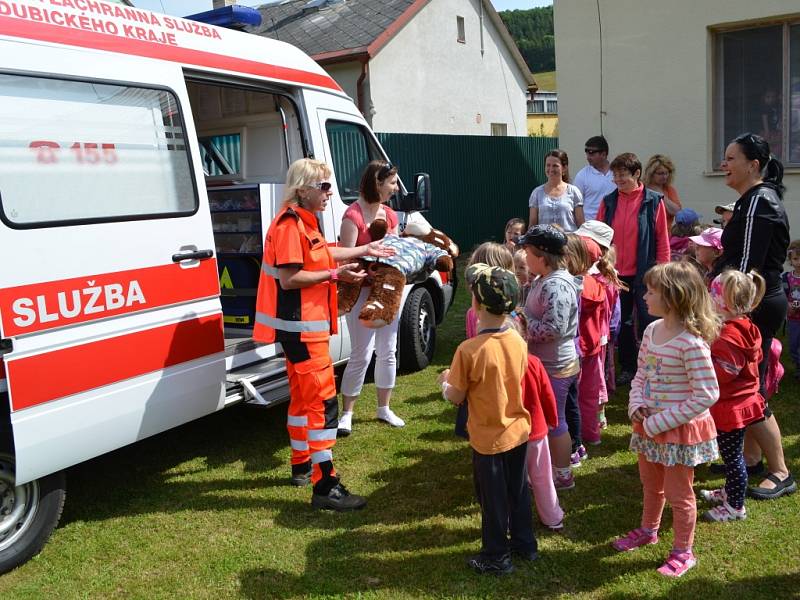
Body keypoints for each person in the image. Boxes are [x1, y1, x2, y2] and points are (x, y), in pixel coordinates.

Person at [253, 158, 394, 511]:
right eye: (324, 186)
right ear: (303, 189)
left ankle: (301, 464)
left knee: (303, 400)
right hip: (302, 330)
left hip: (302, 329)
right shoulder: (290, 225)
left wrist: (363, 250)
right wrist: (335, 276)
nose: (330, 193)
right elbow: (290, 278)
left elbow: (324, 253)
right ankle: (325, 484)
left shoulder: (302, 220)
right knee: (322, 403)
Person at [612, 262, 720, 578]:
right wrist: (635, 405)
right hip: (649, 426)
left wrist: (660, 422)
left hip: (676, 432)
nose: (644, 296)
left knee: (679, 494)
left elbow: (706, 394)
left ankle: (683, 552)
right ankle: (649, 530)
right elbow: (642, 373)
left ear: (672, 297)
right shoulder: (651, 331)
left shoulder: (691, 343)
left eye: (651, 291)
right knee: (651, 485)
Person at [709, 132, 794, 500]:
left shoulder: (760, 201)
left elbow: (745, 268)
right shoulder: (752, 200)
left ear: (753, 165)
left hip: (753, 304)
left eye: (731, 158)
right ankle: (753, 457)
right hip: (751, 301)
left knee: (751, 389)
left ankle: (781, 471)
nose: (724, 164)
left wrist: (724, 309)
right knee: (746, 385)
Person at [439, 264, 537, 575]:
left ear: (477, 304)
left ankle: (496, 555)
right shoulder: (518, 341)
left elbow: (455, 396)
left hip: (488, 438)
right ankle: (524, 544)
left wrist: (444, 383)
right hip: (518, 430)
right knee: (518, 490)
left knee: (493, 500)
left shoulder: (469, 350)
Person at [337, 161, 404, 436]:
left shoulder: (389, 215)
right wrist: (368, 264)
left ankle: (383, 408)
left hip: (386, 292)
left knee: (388, 350)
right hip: (361, 293)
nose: (396, 187)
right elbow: (346, 256)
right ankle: (347, 413)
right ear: (377, 183)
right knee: (361, 354)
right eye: (392, 182)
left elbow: (395, 251)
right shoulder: (352, 215)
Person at [597, 152, 670, 385]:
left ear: (637, 174)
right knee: (624, 324)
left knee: (653, 320)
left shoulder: (653, 201)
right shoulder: (608, 202)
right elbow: (599, 236)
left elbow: (662, 238)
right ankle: (629, 368)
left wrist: (662, 271)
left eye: (622, 175)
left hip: (646, 273)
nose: (618, 180)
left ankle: (657, 367)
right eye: (615, 176)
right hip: (617, 275)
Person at [700, 270, 767, 522]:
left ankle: (735, 506)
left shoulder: (728, 335)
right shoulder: (744, 326)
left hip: (731, 405)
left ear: (721, 301)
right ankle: (729, 492)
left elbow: (725, 373)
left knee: (732, 459)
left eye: (711, 293)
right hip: (739, 401)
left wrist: (703, 361)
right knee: (732, 455)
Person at [521, 225, 581, 491]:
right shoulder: (543, 279)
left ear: (542, 256)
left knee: (555, 421)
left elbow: (553, 328)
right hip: (549, 363)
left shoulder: (556, 285)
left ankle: (563, 475)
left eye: (527, 252)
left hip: (556, 366)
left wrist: (521, 323)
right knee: (551, 418)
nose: (524, 257)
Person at [567, 234, 609, 447]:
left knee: (572, 395)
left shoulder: (570, 286)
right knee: (590, 394)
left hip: (575, 347)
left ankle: (572, 437)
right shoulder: (596, 283)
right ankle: (592, 434)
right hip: (593, 346)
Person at [521, 352, 564, 532]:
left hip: (511, 433)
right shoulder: (533, 361)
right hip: (536, 431)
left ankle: (511, 520)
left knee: (513, 480)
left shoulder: (498, 361)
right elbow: (547, 394)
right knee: (542, 477)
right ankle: (552, 517)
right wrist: (552, 419)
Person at [528, 149, 585, 232]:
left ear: (564, 168)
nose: (551, 169)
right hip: (545, 243)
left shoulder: (573, 192)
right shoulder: (537, 193)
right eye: (548, 165)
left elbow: (581, 224)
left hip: (569, 243)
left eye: (555, 166)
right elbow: (532, 225)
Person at [574, 135, 615, 220]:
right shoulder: (582, 176)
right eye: (587, 152)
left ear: (603, 154)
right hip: (590, 227)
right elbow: (575, 205)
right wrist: (582, 226)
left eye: (591, 153)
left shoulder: (617, 173)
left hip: (613, 224)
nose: (588, 157)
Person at [643, 154, 682, 228]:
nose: (664, 177)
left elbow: (677, 212)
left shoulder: (669, 189)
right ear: (651, 174)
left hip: (666, 235)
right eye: (660, 173)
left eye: (666, 173)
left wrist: (660, 195)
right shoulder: (642, 189)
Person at [783, 239, 800, 379]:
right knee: (794, 343)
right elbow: (783, 294)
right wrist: (788, 306)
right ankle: (797, 364)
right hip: (793, 318)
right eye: (795, 259)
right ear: (790, 259)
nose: (799, 262)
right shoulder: (787, 278)